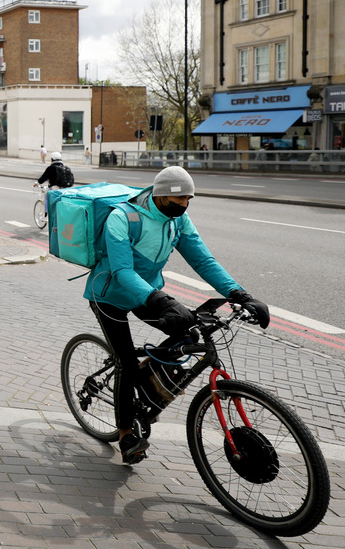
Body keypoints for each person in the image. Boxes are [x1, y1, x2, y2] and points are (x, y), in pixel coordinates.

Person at [83, 166, 270, 465]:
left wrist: (240, 294)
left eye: (188, 200)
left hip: (148, 292)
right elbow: (121, 272)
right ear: (161, 196)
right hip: (110, 295)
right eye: (179, 200)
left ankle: (147, 386)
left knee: (187, 334)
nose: (183, 206)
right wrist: (160, 300)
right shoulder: (123, 218)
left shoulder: (178, 220)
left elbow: (203, 260)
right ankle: (126, 433)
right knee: (127, 365)